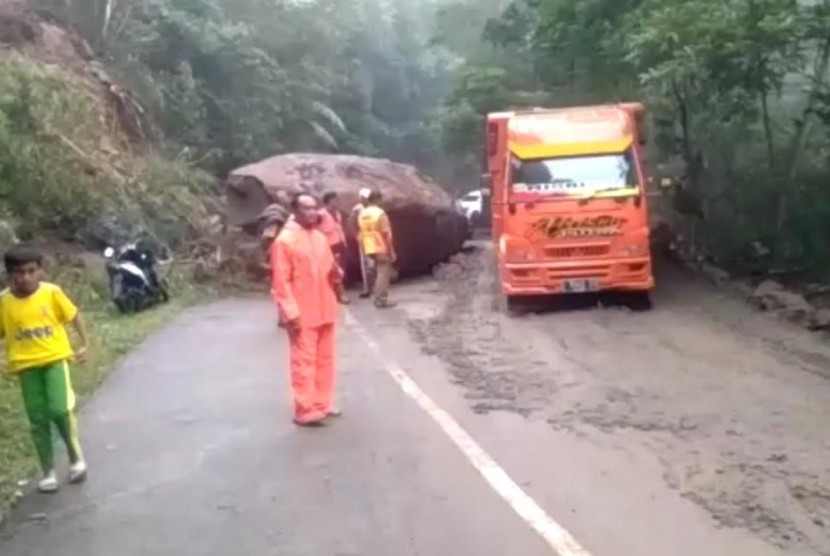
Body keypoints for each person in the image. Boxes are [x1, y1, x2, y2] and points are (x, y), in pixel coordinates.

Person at [0, 244, 90, 492]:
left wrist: (84, 343)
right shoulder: (4, 302)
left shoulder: (51, 293)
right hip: (26, 366)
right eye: (19, 272)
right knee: (37, 419)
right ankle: (48, 470)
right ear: (10, 274)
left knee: (60, 410)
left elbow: (73, 316)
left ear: (40, 270)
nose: (26, 277)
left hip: (55, 359)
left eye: (31, 271)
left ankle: (75, 459)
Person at [272, 193, 342, 426]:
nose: (313, 213)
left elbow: (330, 270)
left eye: (315, 208)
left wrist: (337, 276)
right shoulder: (285, 241)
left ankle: (323, 402)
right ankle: (304, 408)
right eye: (307, 209)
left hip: (325, 307)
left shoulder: (320, 238)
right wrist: (290, 312)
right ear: (295, 211)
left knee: (326, 358)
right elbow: (281, 281)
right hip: (302, 312)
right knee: (303, 362)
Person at [357, 189, 397, 308]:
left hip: (368, 245)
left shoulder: (363, 213)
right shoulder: (380, 213)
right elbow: (386, 234)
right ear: (377, 199)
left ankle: (378, 296)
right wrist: (391, 251)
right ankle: (381, 299)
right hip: (381, 245)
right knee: (383, 273)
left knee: (377, 271)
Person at [317, 191, 349, 304]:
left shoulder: (337, 213)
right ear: (329, 201)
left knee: (340, 269)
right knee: (334, 270)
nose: (337, 201)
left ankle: (336, 292)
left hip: (339, 243)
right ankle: (341, 294)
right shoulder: (320, 214)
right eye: (335, 199)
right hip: (328, 245)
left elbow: (338, 228)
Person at [349, 188, 374, 299]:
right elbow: (351, 222)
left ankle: (375, 286)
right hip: (364, 237)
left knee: (375, 262)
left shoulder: (372, 207)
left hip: (374, 236)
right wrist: (357, 234)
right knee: (366, 263)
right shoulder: (358, 209)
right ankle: (367, 288)